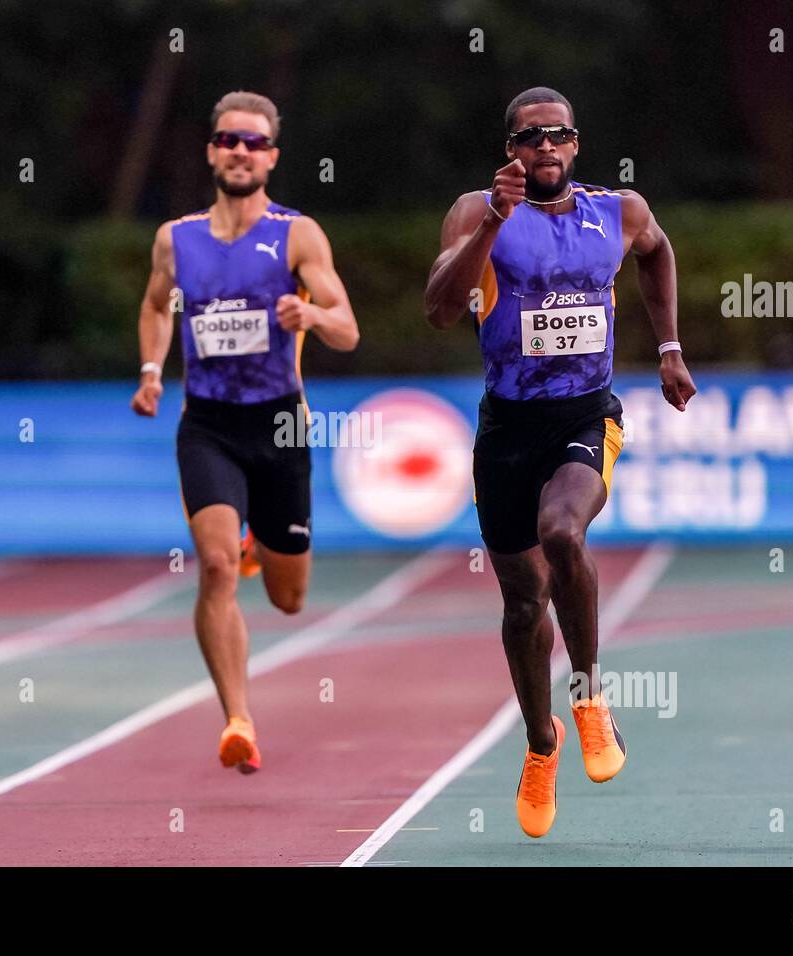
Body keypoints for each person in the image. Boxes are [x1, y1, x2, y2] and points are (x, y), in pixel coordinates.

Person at [424, 87, 696, 837]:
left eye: (558, 135)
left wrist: (669, 349)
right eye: (528, 136)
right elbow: (442, 308)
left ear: (576, 144)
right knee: (519, 604)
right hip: (507, 427)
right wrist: (491, 222)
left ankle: (587, 695)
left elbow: (658, 251)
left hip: (584, 414)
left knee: (564, 534)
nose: (545, 146)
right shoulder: (473, 211)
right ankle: (542, 741)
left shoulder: (619, 210)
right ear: (510, 148)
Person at [130, 91, 359, 773]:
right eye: (229, 139)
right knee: (216, 563)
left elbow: (347, 329)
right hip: (208, 424)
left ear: (272, 157)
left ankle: (265, 539)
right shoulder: (177, 237)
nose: (240, 151)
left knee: (288, 599)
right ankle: (238, 717)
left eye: (254, 143)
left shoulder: (297, 235)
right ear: (211, 150)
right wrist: (150, 368)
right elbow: (155, 306)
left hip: (281, 424)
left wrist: (310, 316)